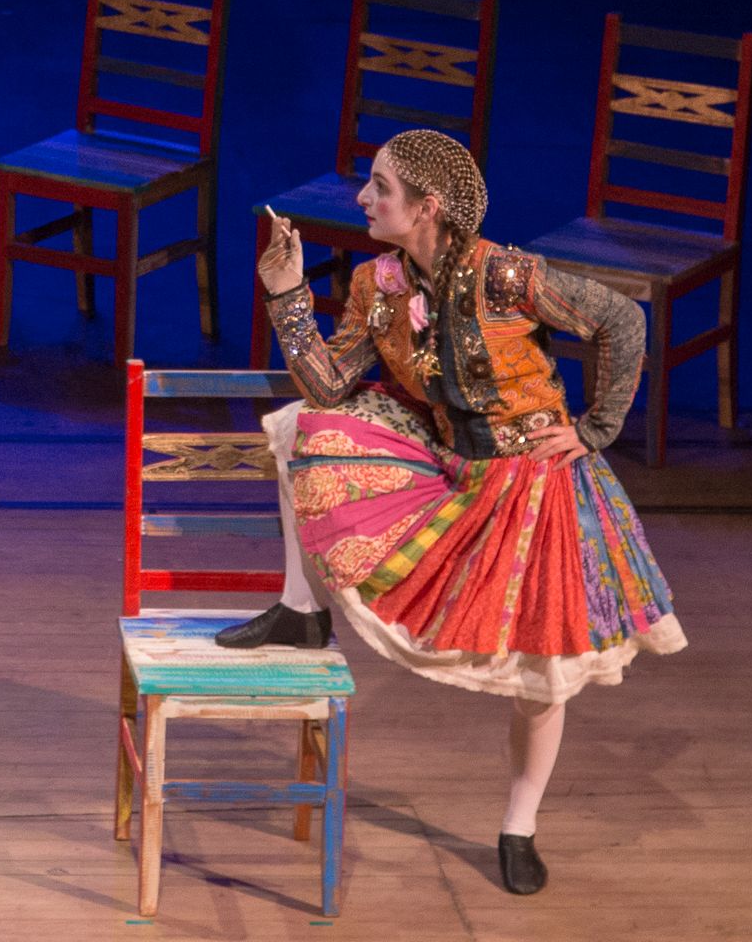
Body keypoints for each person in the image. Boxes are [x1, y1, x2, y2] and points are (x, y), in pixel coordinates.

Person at [215, 128, 685, 896]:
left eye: (380, 187)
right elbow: (328, 386)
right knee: (302, 425)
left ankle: (519, 827)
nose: (363, 198)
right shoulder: (377, 283)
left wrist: (597, 428)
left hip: (533, 480)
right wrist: (287, 294)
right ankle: (300, 610)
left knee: (544, 673)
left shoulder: (506, 276)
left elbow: (622, 321)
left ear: (428, 206)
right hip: (448, 464)